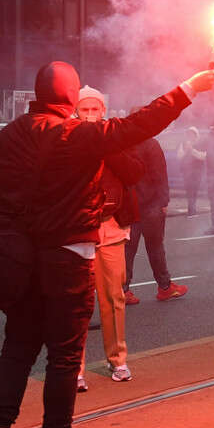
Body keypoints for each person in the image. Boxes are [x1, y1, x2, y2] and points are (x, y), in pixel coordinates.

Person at [0, 62, 214, 428]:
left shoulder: (5, 139)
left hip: (18, 259)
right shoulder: (78, 136)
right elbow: (142, 123)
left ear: (38, 95)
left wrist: (13, 238)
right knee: (64, 354)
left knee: (17, 345)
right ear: (72, 97)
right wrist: (188, 87)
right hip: (69, 257)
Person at [73, 86, 143, 392]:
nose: (89, 115)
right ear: (76, 112)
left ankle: (118, 360)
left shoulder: (115, 139)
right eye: (84, 110)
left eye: (94, 110)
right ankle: (74, 368)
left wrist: (105, 145)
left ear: (103, 111)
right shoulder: (67, 141)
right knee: (76, 303)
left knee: (113, 298)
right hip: (76, 232)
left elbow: (135, 172)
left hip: (112, 229)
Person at [125, 132, 187, 305]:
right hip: (150, 205)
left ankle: (123, 290)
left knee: (127, 250)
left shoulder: (123, 143)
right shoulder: (150, 144)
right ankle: (165, 287)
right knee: (155, 247)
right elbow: (160, 174)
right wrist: (164, 201)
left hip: (129, 206)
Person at [176, 126, 203, 216]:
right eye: (189, 134)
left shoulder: (200, 144)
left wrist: (192, 150)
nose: (190, 136)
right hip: (187, 171)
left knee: (195, 190)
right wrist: (186, 150)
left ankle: (192, 209)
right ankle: (191, 211)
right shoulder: (183, 144)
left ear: (196, 135)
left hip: (197, 171)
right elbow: (179, 156)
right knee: (189, 190)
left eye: (192, 134)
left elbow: (203, 156)